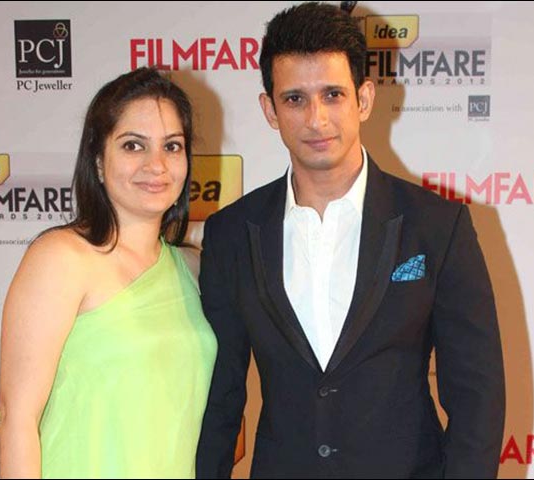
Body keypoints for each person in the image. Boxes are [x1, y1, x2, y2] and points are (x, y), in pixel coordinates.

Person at [196, 2, 505, 478]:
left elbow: (477, 398)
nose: (316, 119)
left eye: (333, 95)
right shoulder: (232, 233)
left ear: (363, 99)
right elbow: (220, 399)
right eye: (295, 99)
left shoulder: (438, 226)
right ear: (270, 110)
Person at [0, 67, 217, 479]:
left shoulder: (194, 269)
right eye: (133, 145)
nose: (157, 164)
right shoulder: (61, 259)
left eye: (172, 146)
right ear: (98, 161)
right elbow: (17, 418)